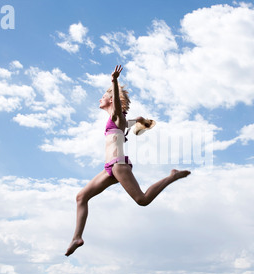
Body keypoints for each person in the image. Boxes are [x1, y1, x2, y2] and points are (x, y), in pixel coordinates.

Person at [65, 65, 191, 256]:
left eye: (103, 97)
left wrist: (114, 82)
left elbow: (119, 111)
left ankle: (172, 176)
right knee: (81, 197)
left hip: (119, 165)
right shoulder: (119, 121)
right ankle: (77, 237)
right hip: (109, 168)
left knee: (142, 199)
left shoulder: (117, 116)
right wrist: (139, 120)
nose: (99, 99)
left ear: (111, 100)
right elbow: (128, 123)